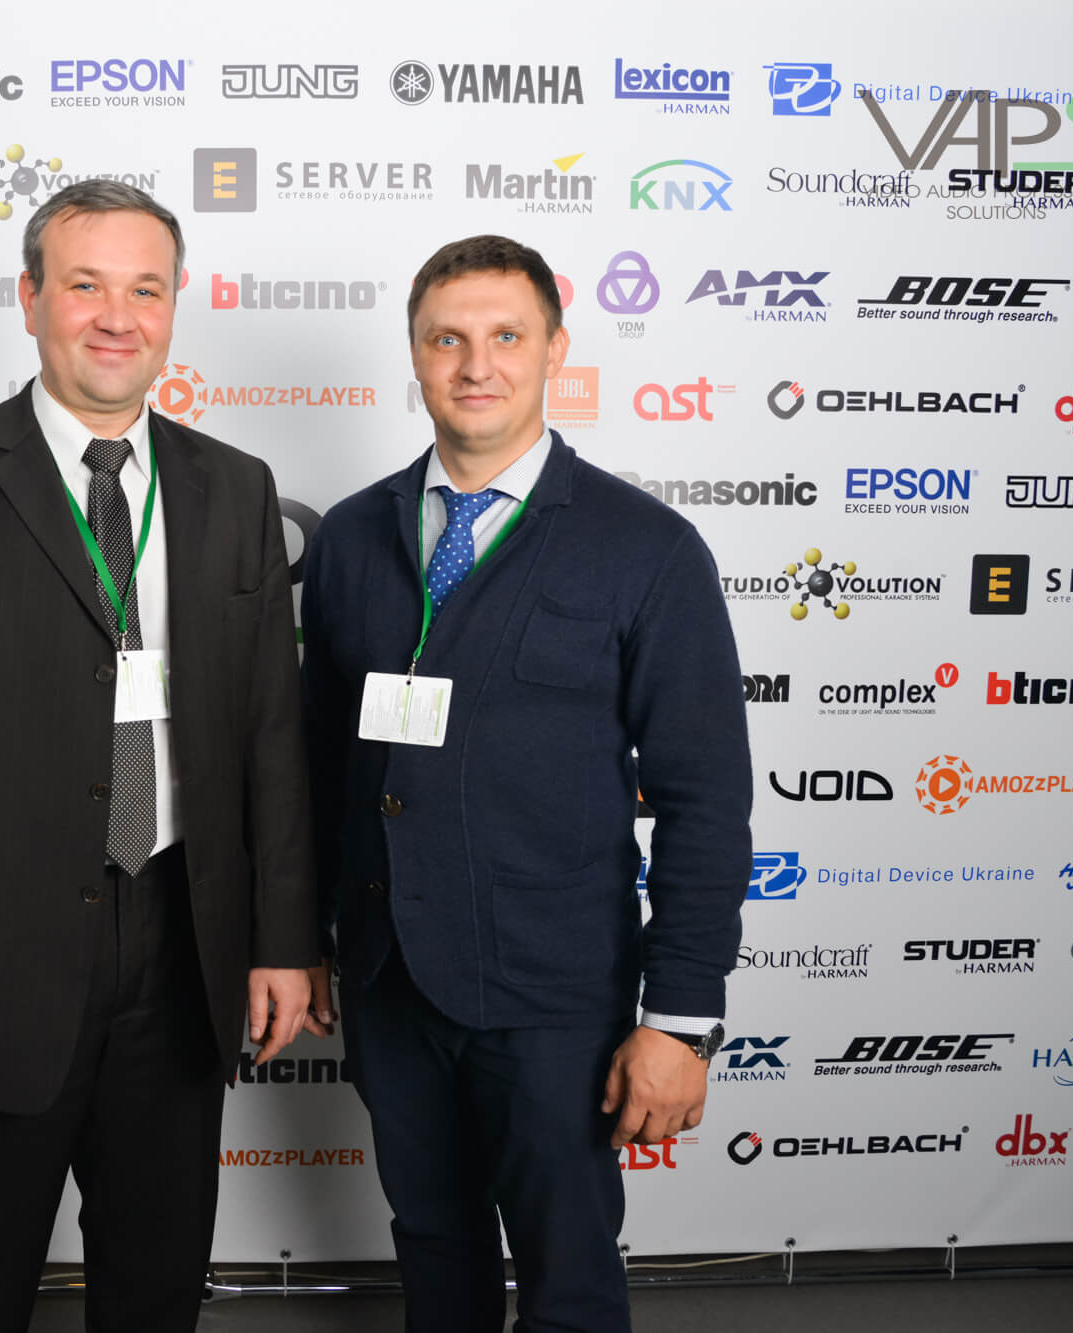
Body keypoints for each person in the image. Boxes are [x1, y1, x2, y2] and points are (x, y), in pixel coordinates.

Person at [0, 179, 320, 1332]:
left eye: (144, 289)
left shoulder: (231, 486)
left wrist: (284, 938)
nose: (115, 316)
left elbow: (269, 736)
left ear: (174, 306)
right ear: (30, 298)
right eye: (84, 285)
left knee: (153, 1291)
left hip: (180, 954)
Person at [300, 234, 752, 1333]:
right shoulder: (352, 534)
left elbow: (704, 801)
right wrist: (303, 936)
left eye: (506, 336)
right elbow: (317, 764)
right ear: (414, 353)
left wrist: (679, 1021)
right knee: (432, 1250)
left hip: (556, 998)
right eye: (445, 339)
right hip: (390, 981)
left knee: (568, 1275)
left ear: (555, 348)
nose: (475, 365)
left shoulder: (645, 547)